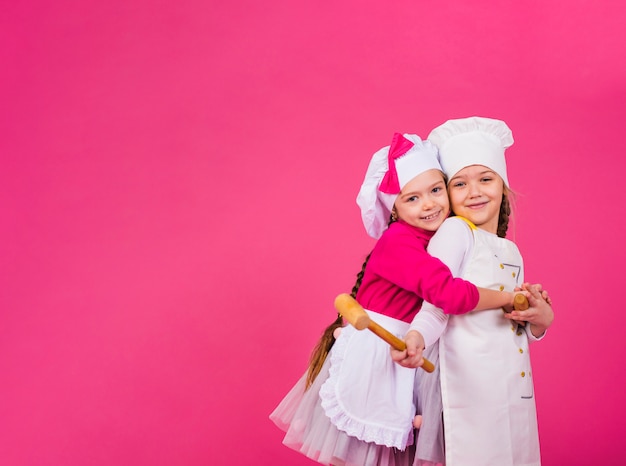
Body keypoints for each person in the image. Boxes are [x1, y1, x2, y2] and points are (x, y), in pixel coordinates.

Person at [270, 132, 540, 466]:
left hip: (405, 351)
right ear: (394, 209)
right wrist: (506, 298)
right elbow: (448, 295)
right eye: (412, 199)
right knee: (366, 454)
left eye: (435, 190)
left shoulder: (439, 238)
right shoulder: (399, 242)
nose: (428, 204)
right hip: (379, 355)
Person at [392, 117, 555, 466]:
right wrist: (417, 335)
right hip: (471, 391)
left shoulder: (510, 250)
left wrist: (540, 319)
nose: (475, 192)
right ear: (448, 193)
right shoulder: (454, 232)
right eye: (460, 184)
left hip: (513, 391)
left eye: (486, 179)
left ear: (504, 185)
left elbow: (517, 324)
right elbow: (437, 302)